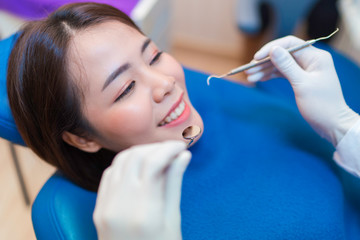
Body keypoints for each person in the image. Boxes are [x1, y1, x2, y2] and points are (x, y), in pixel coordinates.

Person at [6, 2, 360, 239]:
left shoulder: (214, 102)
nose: (167, 82)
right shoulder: (142, 222)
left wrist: (344, 126)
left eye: (155, 55)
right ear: (83, 138)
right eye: (126, 88)